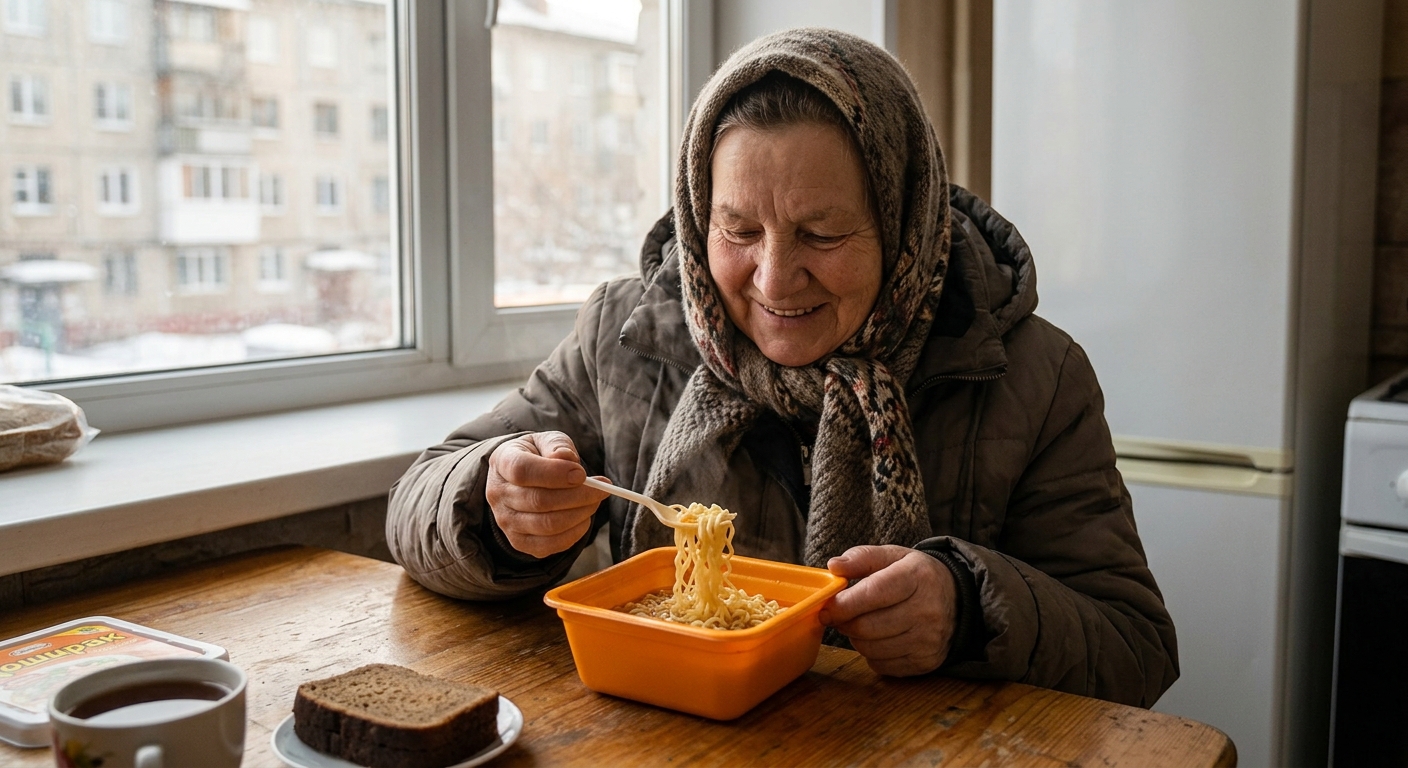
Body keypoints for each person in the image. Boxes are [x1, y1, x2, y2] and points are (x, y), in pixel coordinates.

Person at [387, 27, 1177, 707]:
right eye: (738, 230)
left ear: (902, 223)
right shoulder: (627, 335)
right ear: (701, 217)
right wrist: (493, 501)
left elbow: (1134, 648)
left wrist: (969, 605)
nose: (772, 280)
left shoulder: (1034, 376)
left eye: (822, 234)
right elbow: (416, 504)